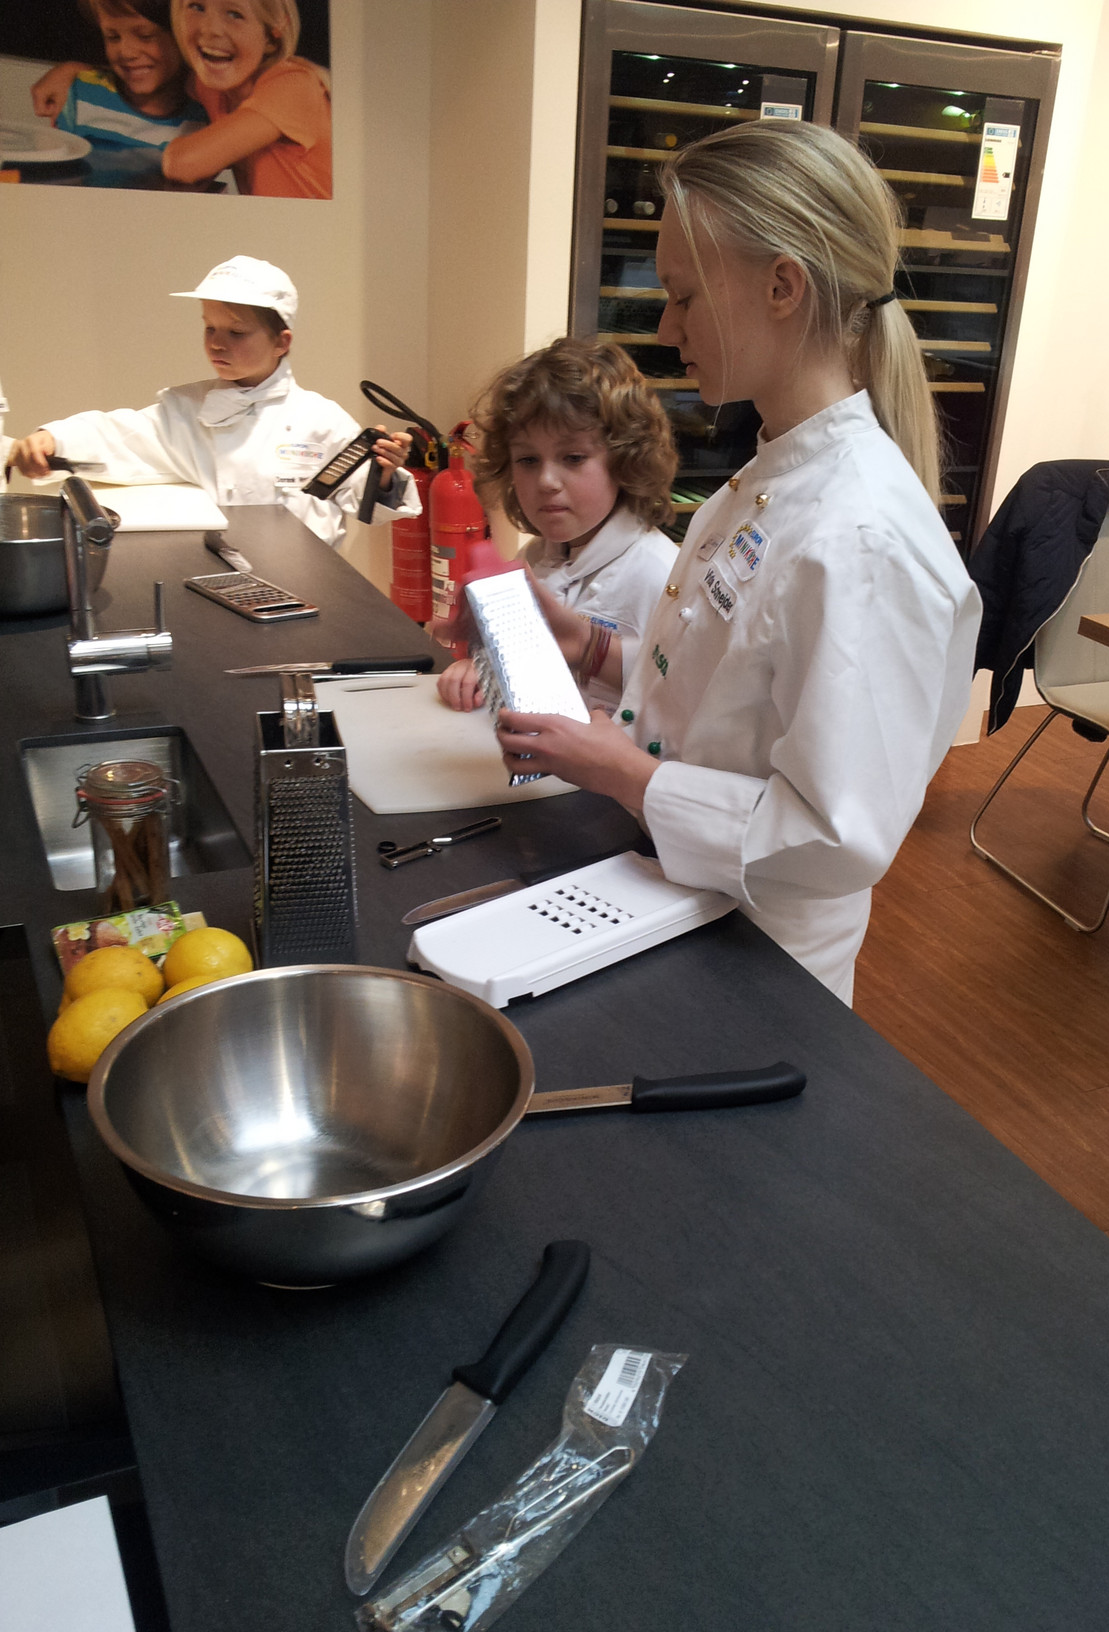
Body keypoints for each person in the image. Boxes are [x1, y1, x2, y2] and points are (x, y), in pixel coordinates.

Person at [493, 121, 982, 1001]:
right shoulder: (762, 480)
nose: (666, 323)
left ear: (782, 286)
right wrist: (589, 646)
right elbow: (733, 699)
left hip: (762, 961)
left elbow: (833, 836)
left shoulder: (860, 536)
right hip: (679, 901)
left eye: (682, 295)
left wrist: (624, 773)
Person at [4, 256, 417, 550]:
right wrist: (52, 439)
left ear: (281, 342)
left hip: (313, 586)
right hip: (218, 582)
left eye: (236, 332)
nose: (217, 343)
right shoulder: (185, 410)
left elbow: (367, 506)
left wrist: (384, 475)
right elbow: (118, 434)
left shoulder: (321, 420)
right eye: (209, 328)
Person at [437, 338, 678, 716]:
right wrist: (478, 671)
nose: (547, 481)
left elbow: (680, 698)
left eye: (573, 458)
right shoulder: (533, 558)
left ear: (626, 459)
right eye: (528, 460)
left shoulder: (659, 574)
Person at [162, 0, 332, 198]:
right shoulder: (209, 84)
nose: (210, 29)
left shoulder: (295, 85)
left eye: (234, 14)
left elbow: (184, 164)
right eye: (197, 7)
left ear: (272, 33)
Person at [30, 0, 207, 158]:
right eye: (113, 37)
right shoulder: (79, 96)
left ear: (183, 34)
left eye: (145, 36)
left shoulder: (207, 113)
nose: (126, 52)